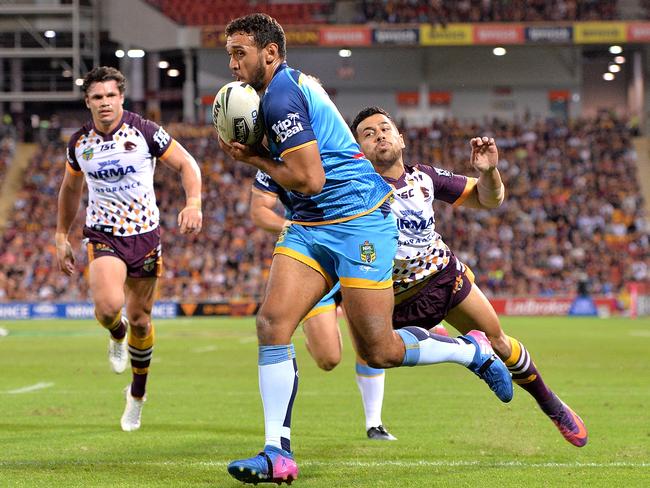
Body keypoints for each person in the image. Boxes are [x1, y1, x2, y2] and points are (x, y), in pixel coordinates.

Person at [220, 14, 511, 485]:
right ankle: (278, 454)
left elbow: (310, 178)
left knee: (380, 352)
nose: (233, 64)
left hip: (359, 222)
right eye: (229, 54)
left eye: (240, 53)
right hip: (310, 224)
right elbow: (306, 186)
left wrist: (250, 156)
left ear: (269, 53)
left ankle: (468, 351)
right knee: (272, 324)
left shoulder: (281, 95)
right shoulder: (272, 95)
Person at [349, 106, 588, 449]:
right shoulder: (355, 189)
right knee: (374, 354)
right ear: (360, 150)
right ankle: (454, 345)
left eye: (385, 128)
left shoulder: (425, 177)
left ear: (401, 138)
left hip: (443, 278)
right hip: (395, 298)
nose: (379, 136)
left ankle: (551, 404)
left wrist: (489, 172)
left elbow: (489, 200)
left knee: (500, 342)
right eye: (368, 134)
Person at [55, 66, 202, 432]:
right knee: (108, 309)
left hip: (146, 237)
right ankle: (114, 333)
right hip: (104, 234)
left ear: (121, 97)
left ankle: (137, 395)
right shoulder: (79, 144)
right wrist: (61, 236)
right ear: (87, 102)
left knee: (140, 320)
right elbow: (70, 190)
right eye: (97, 97)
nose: (104, 103)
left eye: (110, 96)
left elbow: (187, 163)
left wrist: (194, 202)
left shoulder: (146, 131)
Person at [250, 172, 399, 441]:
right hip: (315, 258)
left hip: (354, 248)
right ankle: (315, 331)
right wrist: (290, 228)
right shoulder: (277, 157)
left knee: (369, 340)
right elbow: (259, 209)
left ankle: (374, 422)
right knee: (328, 358)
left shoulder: (341, 149)